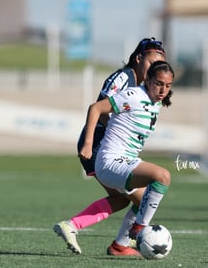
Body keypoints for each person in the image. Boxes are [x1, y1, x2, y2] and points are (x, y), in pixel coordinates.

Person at [53, 38, 167, 255]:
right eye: (152, 62)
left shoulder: (145, 89)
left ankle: (91, 234)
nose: (156, 69)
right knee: (140, 199)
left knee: (124, 199)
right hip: (99, 147)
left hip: (111, 149)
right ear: (138, 59)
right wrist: (89, 143)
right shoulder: (124, 77)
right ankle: (120, 244)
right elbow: (100, 108)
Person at [79, 60, 174, 256]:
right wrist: (88, 143)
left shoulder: (156, 101)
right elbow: (96, 108)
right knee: (162, 176)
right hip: (110, 162)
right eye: (158, 83)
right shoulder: (133, 96)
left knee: (143, 202)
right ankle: (139, 230)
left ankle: (120, 246)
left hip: (126, 161)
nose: (163, 89)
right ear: (147, 79)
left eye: (168, 85)